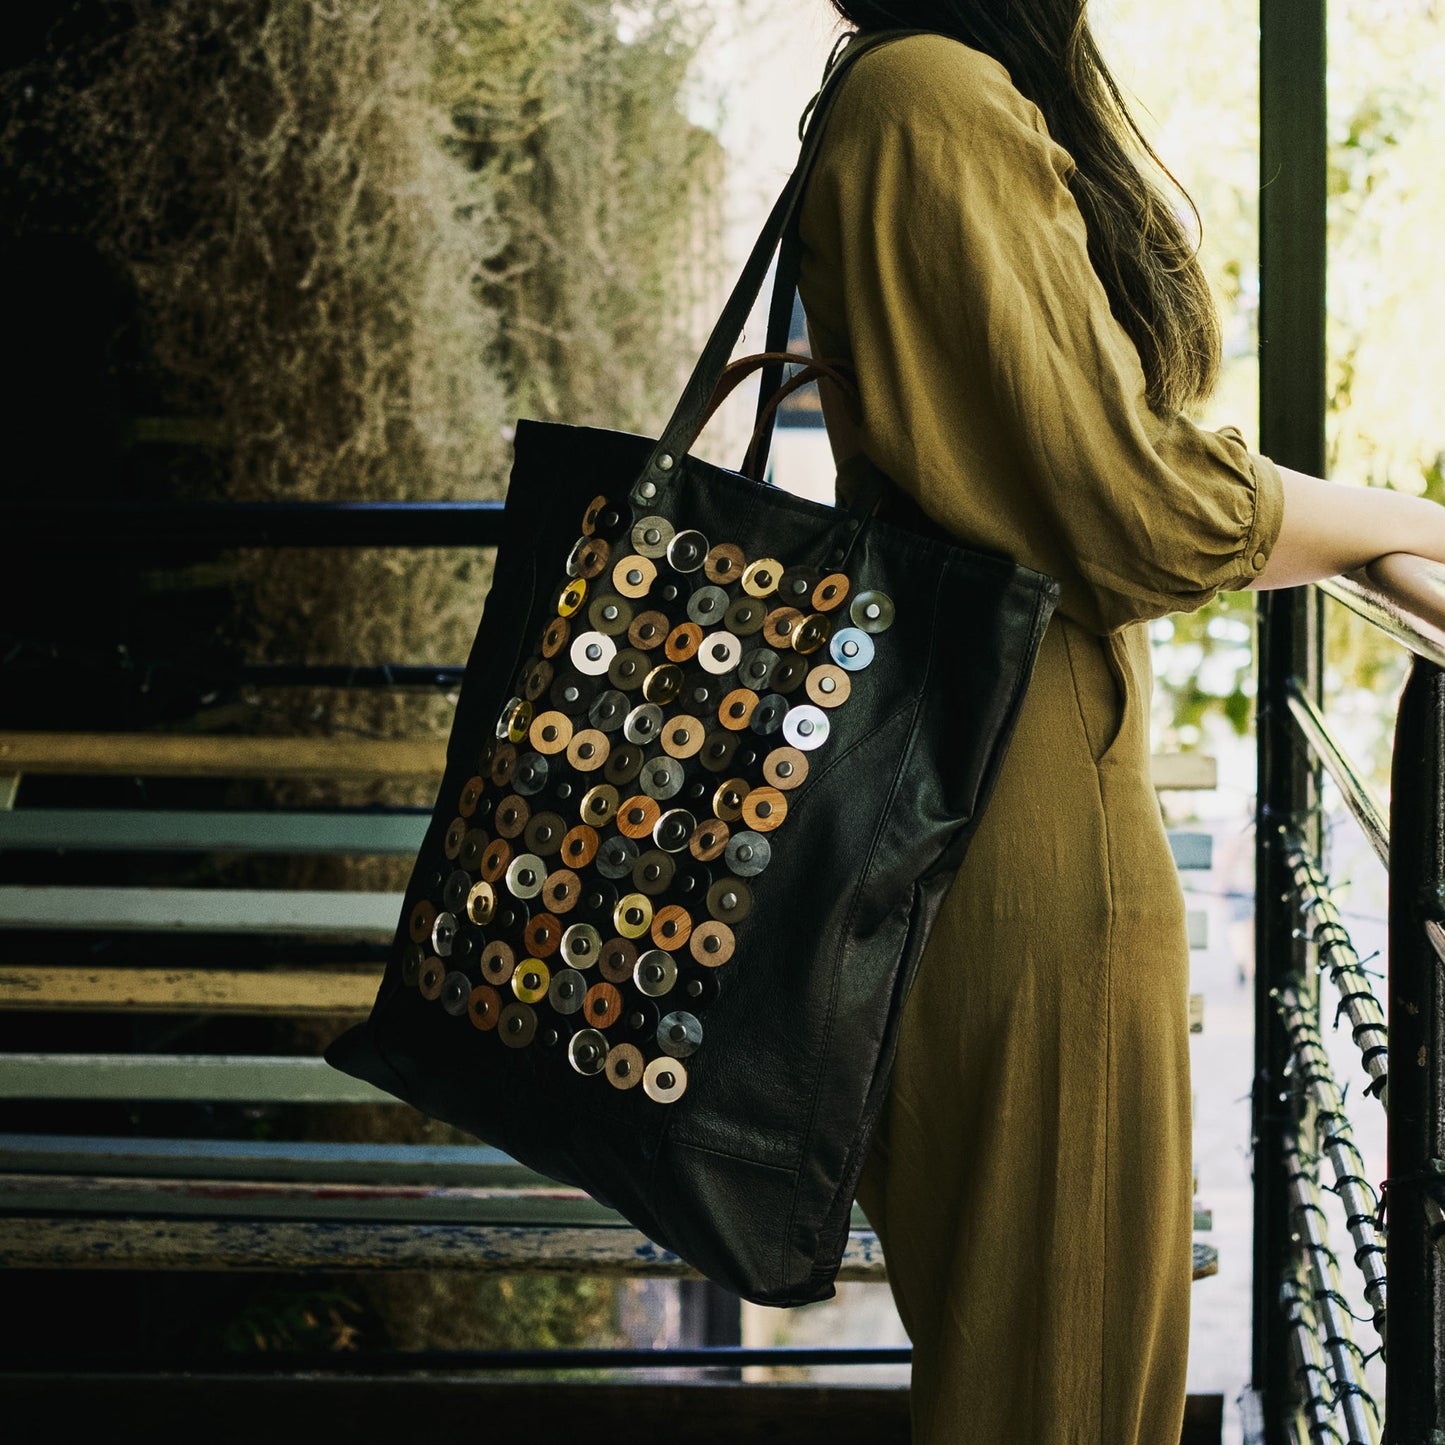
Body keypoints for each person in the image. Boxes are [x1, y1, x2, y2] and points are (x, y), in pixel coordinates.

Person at [794, 6, 1445, 1442]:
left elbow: (1094, 485)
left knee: (1048, 1375)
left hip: (1001, 826)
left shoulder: (916, 93)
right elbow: (1131, 505)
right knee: (1065, 1391)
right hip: (1021, 851)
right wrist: (1408, 522)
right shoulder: (928, 96)